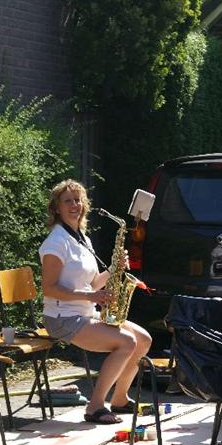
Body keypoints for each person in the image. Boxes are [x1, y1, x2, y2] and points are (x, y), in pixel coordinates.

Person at [39, 179, 152, 424]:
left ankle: (120, 399)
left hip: (84, 313)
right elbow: (49, 289)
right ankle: (95, 406)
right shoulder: (56, 243)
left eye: (78, 200)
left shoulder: (82, 239)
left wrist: (114, 269)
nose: (74, 205)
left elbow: (91, 284)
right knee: (126, 342)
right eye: (67, 201)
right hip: (62, 318)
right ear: (56, 208)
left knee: (143, 339)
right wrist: (91, 297)